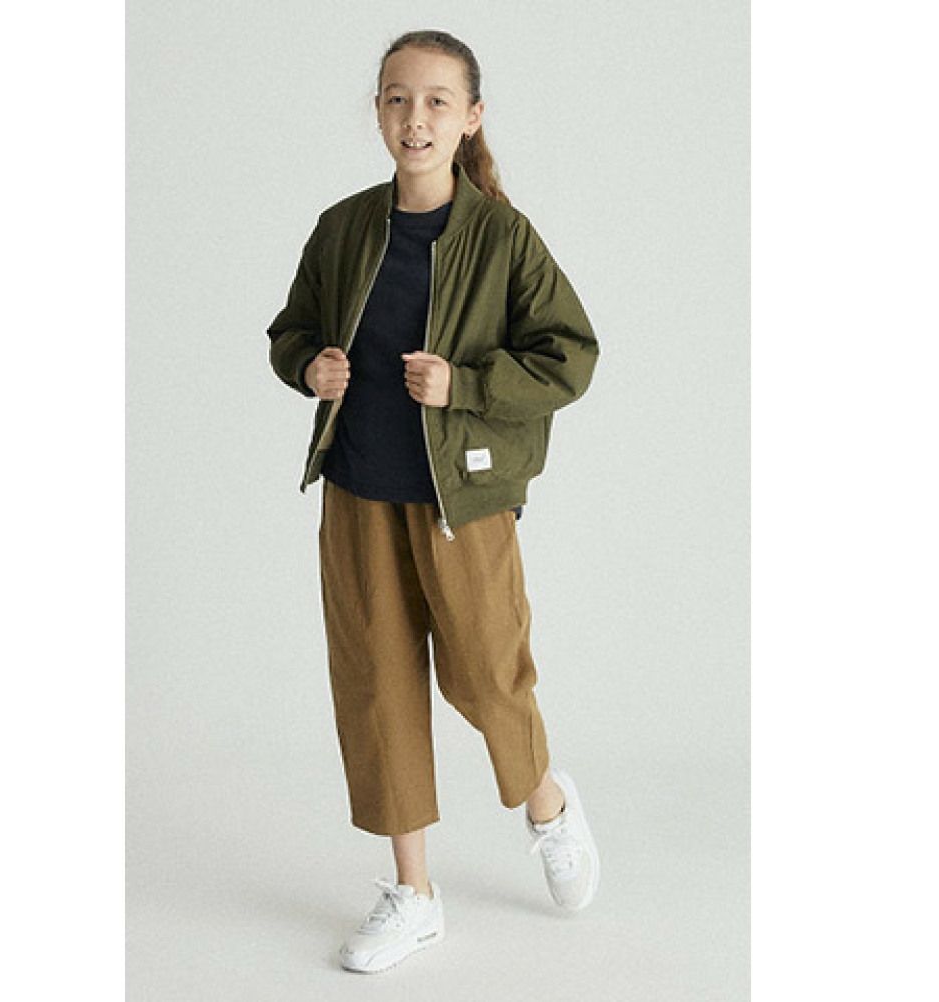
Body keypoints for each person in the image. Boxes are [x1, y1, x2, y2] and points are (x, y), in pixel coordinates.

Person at [266, 28, 602, 974]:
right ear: (378, 112)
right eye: (397, 98)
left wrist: (467, 386)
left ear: (471, 118)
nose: (415, 118)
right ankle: (412, 893)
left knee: (488, 678)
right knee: (378, 689)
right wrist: (310, 366)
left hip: (465, 497)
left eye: (436, 101)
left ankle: (548, 806)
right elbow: (290, 329)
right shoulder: (343, 227)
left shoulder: (501, 236)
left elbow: (570, 356)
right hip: (357, 491)